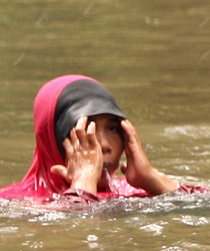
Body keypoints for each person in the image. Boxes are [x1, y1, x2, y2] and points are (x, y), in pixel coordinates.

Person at [2, 75, 192, 202]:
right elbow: (75, 246)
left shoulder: (131, 190)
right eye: (85, 131)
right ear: (51, 141)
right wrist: (82, 185)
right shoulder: (15, 202)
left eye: (112, 128)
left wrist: (153, 180)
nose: (104, 145)